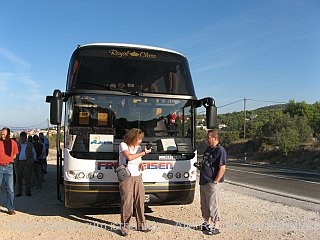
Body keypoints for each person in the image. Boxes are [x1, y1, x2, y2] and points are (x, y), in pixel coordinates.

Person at [118, 128, 152, 236]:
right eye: (139, 139)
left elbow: (138, 161)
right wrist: (143, 153)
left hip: (137, 176)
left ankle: (142, 225)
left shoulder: (138, 148)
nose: (140, 141)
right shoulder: (123, 145)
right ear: (133, 138)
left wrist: (142, 165)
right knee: (127, 201)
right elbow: (129, 157)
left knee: (140, 201)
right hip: (127, 177)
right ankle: (125, 227)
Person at [196, 129, 227, 235]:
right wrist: (200, 165)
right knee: (204, 204)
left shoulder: (220, 150)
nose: (206, 140)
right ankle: (206, 223)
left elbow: (222, 168)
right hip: (203, 180)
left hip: (211, 182)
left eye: (208, 138)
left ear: (214, 138)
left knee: (213, 204)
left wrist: (215, 181)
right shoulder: (209, 149)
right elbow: (207, 162)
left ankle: (216, 226)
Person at [0, 127, 19, 215]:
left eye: (3, 134)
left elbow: (15, 154)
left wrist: (9, 160)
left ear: (8, 134)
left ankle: (10, 208)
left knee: (10, 189)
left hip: (9, 168)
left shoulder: (13, 143)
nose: (2, 135)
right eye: (1, 134)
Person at [15, 132, 36, 197]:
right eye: (21, 137)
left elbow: (34, 154)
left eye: (24, 137)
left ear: (26, 137)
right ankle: (19, 192)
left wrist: (32, 161)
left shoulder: (30, 145)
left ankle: (28, 192)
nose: (22, 138)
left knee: (28, 178)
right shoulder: (17, 144)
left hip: (27, 162)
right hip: (19, 162)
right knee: (19, 178)